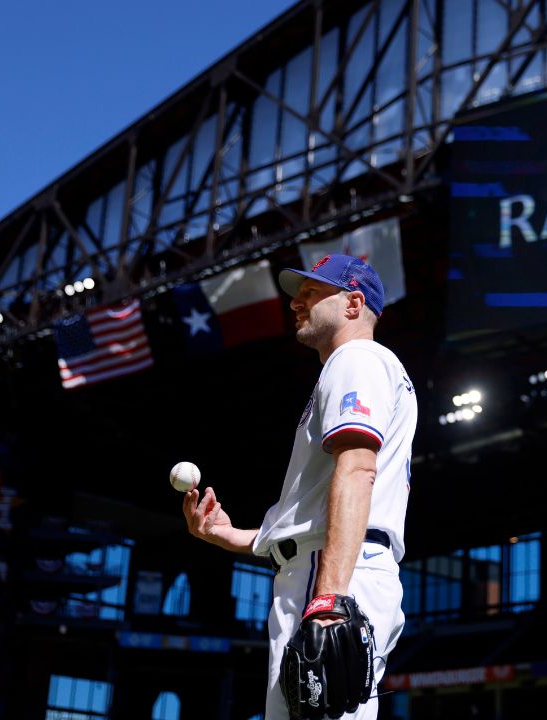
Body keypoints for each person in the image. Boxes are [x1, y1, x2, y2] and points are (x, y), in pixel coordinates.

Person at [182, 254, 415, 719]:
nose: (296, 303)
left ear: (353, 303)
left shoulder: (357, 358)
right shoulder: (361, 367)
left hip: (331, 572)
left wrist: (329, 596)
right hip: (336, 565)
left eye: (311, 292)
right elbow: (312, 515)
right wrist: (230, 535)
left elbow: (357, 470)